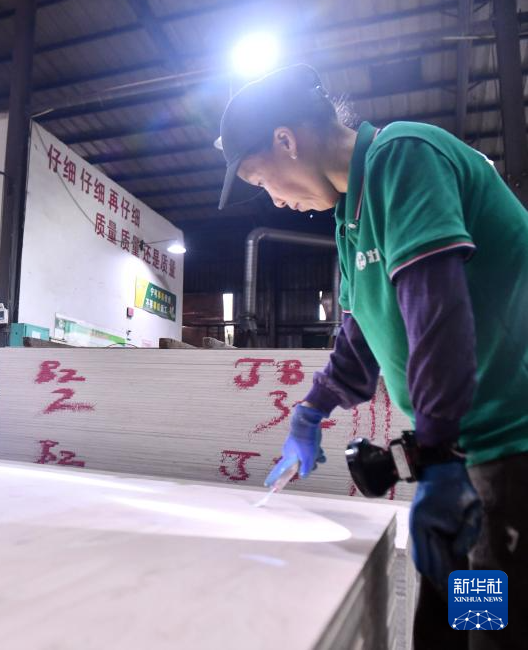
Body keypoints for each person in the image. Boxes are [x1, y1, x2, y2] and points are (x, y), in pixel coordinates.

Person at [216, 64, 527, 648]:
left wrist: (438, 458)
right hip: (467, 455)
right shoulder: (349, 217)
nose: (275, 201)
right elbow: (360, 340)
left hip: (510, 453)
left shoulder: (404, 157)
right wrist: (311, 411)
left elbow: (437, 316)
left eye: (262, 181)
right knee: (445, 628)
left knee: (488, 633)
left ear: (286, 140)